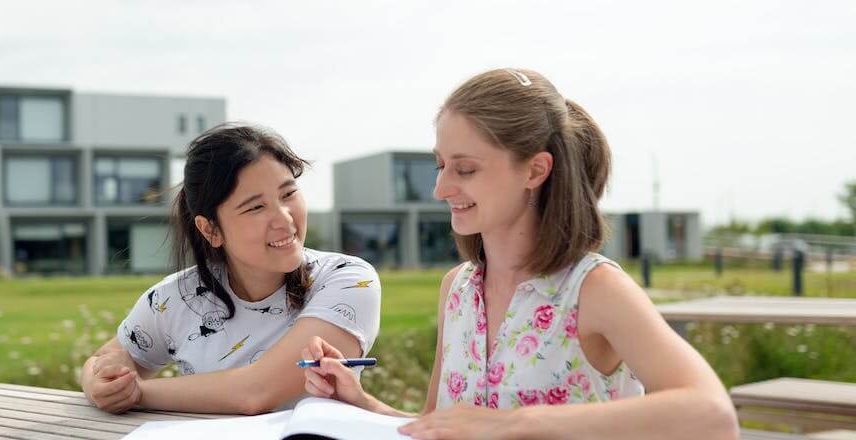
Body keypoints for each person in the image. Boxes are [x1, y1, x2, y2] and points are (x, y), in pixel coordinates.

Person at [301, 68, 739, 439]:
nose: (441, 188)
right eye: (441, 165)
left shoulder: (595, 289)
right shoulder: (458, 288)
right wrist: (360, 401)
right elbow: (441, 426)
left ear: (535, 169)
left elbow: (713, 415)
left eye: (465, 169)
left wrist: (516, 424)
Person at [82, 123, 382, 415]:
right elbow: (105, 359)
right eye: (256, 207)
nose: (284, 219)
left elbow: (256, 392)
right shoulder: (173, 299)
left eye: (288, 194)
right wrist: (100, 383)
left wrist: (137, 393)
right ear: (210, 229)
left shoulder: (348, 280)